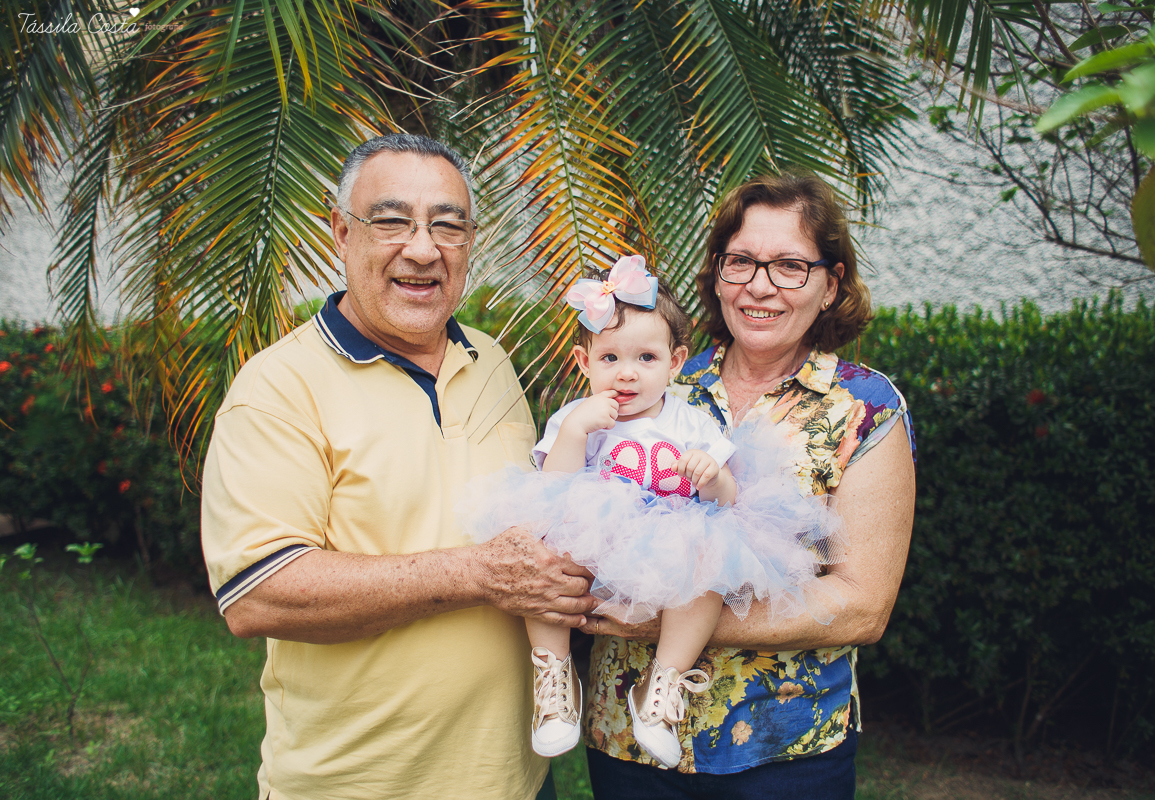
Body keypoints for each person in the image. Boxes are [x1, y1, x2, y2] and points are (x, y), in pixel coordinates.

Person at [200, 133, 595, 800]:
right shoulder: (277, 389)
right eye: (391, 221)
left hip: (519, 782)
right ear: (341, 232)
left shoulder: (491, 361)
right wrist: (478, 573)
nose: (423, 249)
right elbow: (258, 593)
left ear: (470, 242)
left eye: (448, 226)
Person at [580, 172, 916, 798]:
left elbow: (863, 605)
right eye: (741, 262)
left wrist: (654, 618)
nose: (761, 286)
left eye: (790, 266)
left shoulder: (864, 408)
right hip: (626, 738)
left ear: (830, 284)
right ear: (717, 275)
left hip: (784, 747)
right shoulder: (653, 374)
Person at [459, 255, 846, 770]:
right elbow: (552, 488)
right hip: (597, 548)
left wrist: (713, 476)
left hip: (666, 549)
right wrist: (576, 430)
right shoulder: (577, 417)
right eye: (609, 358)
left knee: (709, 561)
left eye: (646, 357)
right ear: (583, 362)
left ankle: (662, 685)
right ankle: (553, 676)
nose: (627, 373)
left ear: (675, 361)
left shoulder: (691, 422)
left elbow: (729, 503)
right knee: (540, 549)